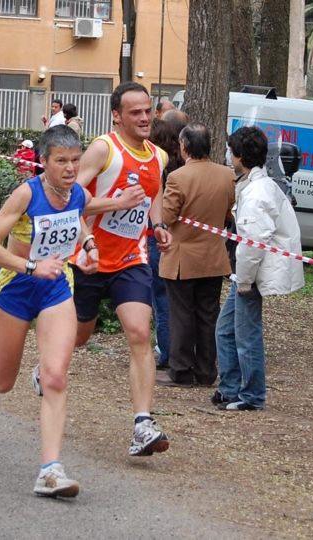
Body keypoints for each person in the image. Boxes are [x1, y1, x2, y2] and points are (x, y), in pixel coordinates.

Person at [0, 125, 99, 497]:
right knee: (3, 381)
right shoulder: (25, 194)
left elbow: (78, 220)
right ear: (43, 162)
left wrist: (88, 245)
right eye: (61, 161)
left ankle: (50, 472)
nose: (70, 168)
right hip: (17, 288)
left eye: (75, 160)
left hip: (56, 288)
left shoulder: (77, 193)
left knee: (54, 377)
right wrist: (32, 266)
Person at [68, 82, 172, 457]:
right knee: (78, 337)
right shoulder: (103, 148)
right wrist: (114, 204)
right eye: (135, 112)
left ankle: (143, 423)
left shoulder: (159, 156)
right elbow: (71, 200)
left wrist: (158, 225)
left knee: (140, 332)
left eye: (147, 111)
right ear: (117, 115)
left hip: (131, 259)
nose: (144, 118)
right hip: (89, 259)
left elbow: (154, 193)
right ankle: (48, 368)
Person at [213, 126, 303, 410]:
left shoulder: (257, 192)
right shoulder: (257, 185)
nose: (229, 156)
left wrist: (244, 282)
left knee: (245, 335)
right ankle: (229, 388)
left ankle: (252, 395)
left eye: (231, 152)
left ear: (239, 156)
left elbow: (252, 243)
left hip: (250, 275)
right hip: (245, 273)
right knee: (225, 330)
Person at [158, 122, 236, 388]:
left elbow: (167, 216)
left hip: (181, 257)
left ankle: (180, 370)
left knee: (180, 315)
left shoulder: (178, 177)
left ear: (184, 147)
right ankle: (205, 372)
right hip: (213, 257)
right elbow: (229, 212)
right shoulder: (227, 175)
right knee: (208, 316)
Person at [148, 119, 186, 370]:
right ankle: (176, 349)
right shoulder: (181, 167)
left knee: (161, 299)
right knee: (177, 301)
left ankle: (167, 353)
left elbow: (163, 211)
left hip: (157, 239)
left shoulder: (157, 171)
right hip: (180, 241)